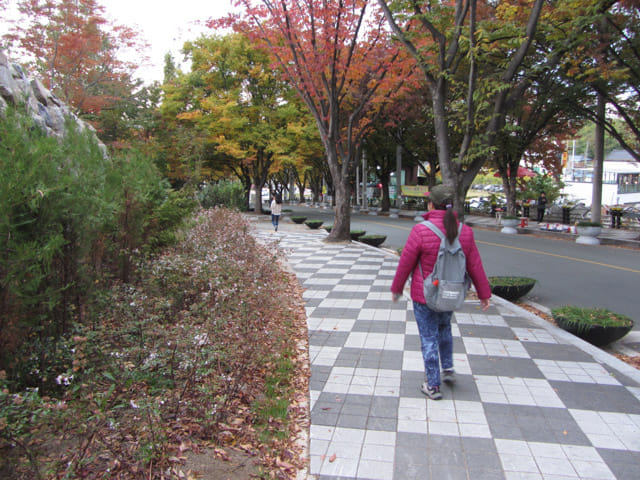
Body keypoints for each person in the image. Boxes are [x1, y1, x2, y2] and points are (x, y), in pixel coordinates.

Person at [390, 185, 491, 400]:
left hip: (424, 295)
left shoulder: (421, 230)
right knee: (444, 329)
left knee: (428, 337)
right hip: (450, 294)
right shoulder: (465, 231)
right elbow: (475, 265)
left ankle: (433, 385)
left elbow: (405, 263)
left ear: (430, 204)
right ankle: (448, 369)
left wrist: (397, 289)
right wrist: (484, 294)